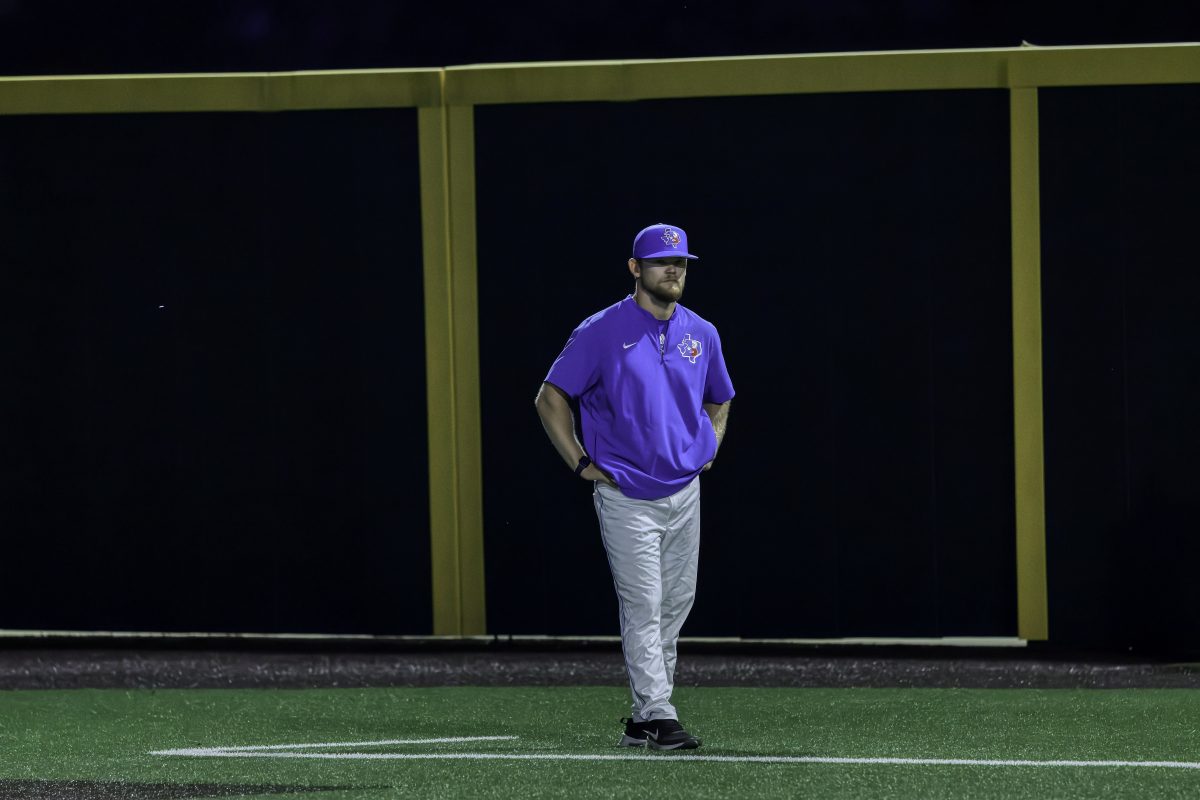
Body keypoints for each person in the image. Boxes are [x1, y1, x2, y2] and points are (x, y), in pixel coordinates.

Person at [534, 222, 734, 751]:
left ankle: (647, 715)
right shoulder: (601, 329)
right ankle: (659, 712)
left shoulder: (702, 332)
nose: (674, 270)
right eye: (663, 262)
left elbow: (720, 398)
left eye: (681, 263)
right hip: (626, 493)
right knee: (644, 603)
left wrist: (709, 444)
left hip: (684, 491)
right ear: (635, 268)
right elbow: (550, 398)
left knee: (675, 604)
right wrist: (580, 462)